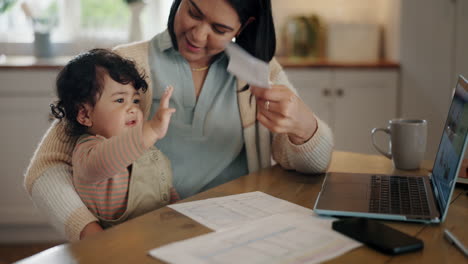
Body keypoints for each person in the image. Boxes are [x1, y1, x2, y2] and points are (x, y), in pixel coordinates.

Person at [24, 0, 334, 241]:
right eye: (193, 12)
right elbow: (46, 167)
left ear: (245, 25)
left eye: (220, 28)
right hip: (145, 236)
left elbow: (315, 164)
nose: (198, 35)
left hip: (240, 232)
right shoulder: (122, 70)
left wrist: (305, 128)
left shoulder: (260, 73)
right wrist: (91, 234)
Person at [49, 48, 179, 228]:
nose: (133, 109)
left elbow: (161, 185)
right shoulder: (87, 153)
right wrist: (153, 129)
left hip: (160, 231)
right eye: (120, 100)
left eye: (135, 101)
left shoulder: (143, 147)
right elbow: (110, 158)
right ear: (85, 115)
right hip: (119, 246)